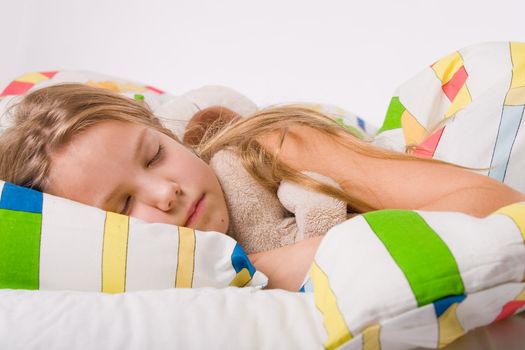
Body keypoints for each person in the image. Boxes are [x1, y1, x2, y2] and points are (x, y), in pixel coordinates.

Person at [0, 83, 524, 291]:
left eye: (156, 155)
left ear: (167, 135)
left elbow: (501, 209)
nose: (165, 192)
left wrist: (259, 270)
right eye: (123, 205)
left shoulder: (271, 146)